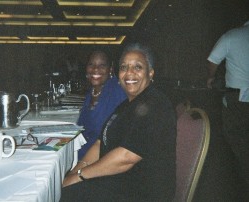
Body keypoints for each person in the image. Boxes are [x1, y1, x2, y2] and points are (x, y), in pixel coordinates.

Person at [60, 43, 176, 201]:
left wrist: (79, 176)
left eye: (138, 67)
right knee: (63, 187)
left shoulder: (156, 104)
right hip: (120, 182)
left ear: (151, 73)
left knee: (67, 195)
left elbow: (127, 157)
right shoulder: (125, 105)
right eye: (124, 67)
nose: (129, 73)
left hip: (142, 191)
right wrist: (75, 171)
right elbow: (100, 143)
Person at [207, 20, 249, 199]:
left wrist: (211, 77)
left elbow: (212, 60)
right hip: (239, 98)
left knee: (238, 141)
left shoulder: (232, 35)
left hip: (238, 100)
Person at [77, 50, 127, 159]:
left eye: (102, 65)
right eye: (91, 64)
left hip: (102, 157)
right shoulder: (92, 91)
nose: (95, 69)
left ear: (110, 69)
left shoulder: (117, 92)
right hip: (86, 151)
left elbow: (115, 140)